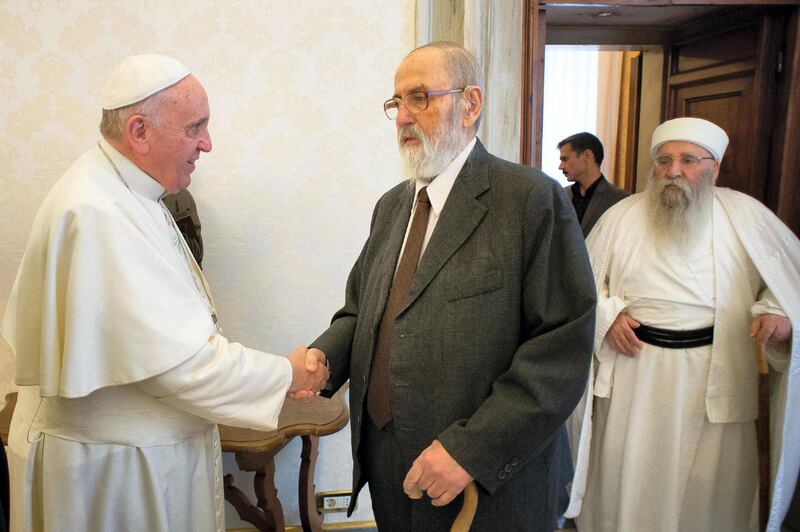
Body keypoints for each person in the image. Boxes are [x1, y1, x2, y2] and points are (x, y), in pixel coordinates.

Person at [2, 54, 328, 532]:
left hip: (134, 458)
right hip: (115, 475)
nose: (208, 144)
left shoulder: (129, 191)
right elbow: (184, 367)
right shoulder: (98, 213)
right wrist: (287, 372)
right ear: (139, 131)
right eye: (195, 127)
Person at [304, 41, 596, 531]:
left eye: (420, 97)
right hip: (390, 461)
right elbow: (361, 311)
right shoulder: (392, 206)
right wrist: (323, 360)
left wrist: (471, 450)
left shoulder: (529, 199)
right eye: (396, 102)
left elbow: (560, 350)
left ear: (471, 103)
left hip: (486, 480)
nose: (402, 117)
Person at [565, 117, 800, 531]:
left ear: (715, 167)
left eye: (689, 160)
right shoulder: (621, 217)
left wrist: (778, 313)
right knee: (629, 479)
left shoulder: (747, 217)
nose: (674, 171)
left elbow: (787, 283)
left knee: (711, 495)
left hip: (717, 375)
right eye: (664, 160)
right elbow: (579, 287)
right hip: (635, 375)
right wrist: (609, 315)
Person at [557, 132, 628, 237]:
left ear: (587, 155)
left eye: (565, 159)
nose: (560, 166)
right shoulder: (559, 196)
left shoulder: (621, 200)